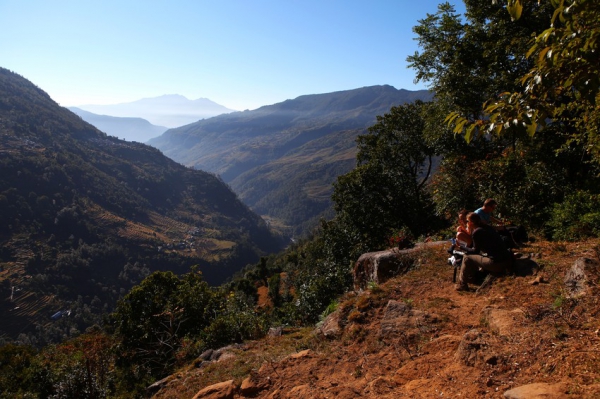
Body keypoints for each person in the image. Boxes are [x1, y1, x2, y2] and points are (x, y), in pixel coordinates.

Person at [455, 212, 513, 291]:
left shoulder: (477, 232)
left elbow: (475, 251)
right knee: (477, 256)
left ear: (471, 223)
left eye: (467, 221)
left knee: (467, 257)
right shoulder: (488, 227)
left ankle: (462, 284)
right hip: (507, 260)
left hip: (496, 264)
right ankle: (473, 277)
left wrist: (461, 247)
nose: (467, 223)